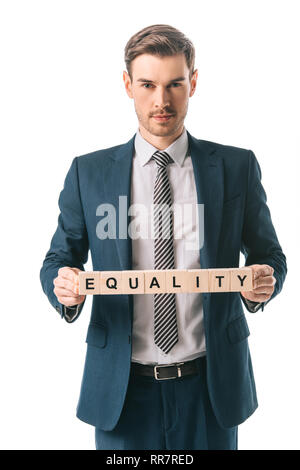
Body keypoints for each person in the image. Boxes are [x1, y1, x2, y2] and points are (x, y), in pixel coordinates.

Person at [40, 24, 287, 450]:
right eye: (148, 84)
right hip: (122, 390)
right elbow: (58, 260)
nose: (161, 100)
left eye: (175, 83)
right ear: (127, 84)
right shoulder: (89, 173)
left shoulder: (236, 167)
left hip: (210, 389)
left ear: (193, 82)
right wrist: (62, 286)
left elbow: (270, 256)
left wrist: (262, 283)